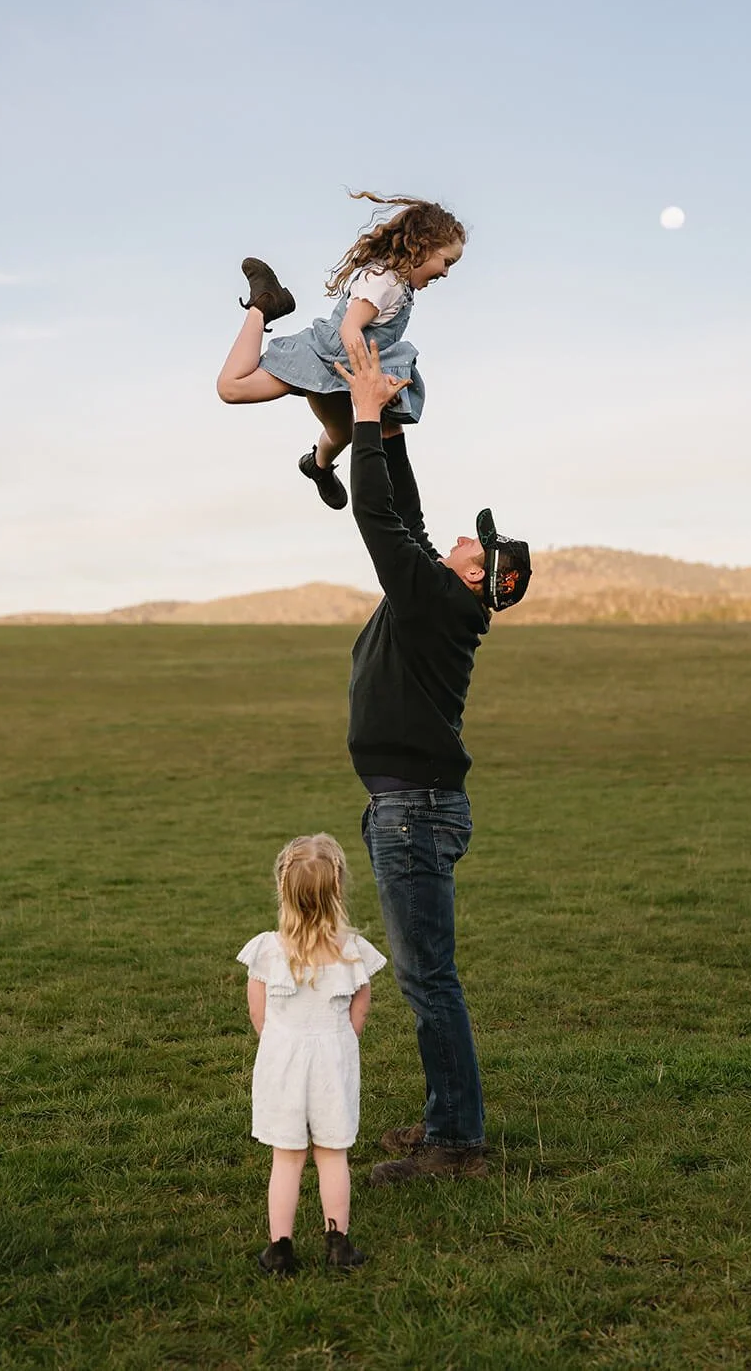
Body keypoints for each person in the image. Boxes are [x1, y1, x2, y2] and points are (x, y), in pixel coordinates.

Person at [332, 337, 532, 1186]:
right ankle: (447, 1122)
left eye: (474, 544)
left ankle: (458, 1145)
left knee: (428, 981)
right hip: (406, 806)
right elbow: (405, 519)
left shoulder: (437, 604)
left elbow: (378, 520)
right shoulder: (439, 597)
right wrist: (399, 435)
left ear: (483, 578)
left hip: (414, 811)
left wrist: (370, 416)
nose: (458, 537)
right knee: (426, 978)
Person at [215, 191, 466, 510]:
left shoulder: (399, 285)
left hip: (341, 372)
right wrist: (369, 383)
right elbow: (350, 329)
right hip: (320, 358)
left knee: (342, 433)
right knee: (231, 388)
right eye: (446, 262)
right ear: (423, 246)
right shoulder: (384, 282)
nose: (445, 272)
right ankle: (264, 305)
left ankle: (316, 467)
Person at [236, 833, 386, 1274]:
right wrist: (342, 1041)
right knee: (332, 1153)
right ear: (338, 888)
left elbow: (256, 1010)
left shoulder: (268, 949)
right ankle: (338, 1244)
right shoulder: (351, 951)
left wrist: (279, 1042)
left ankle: (279, 1250)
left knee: (287, 1157)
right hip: (332, 1060)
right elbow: (361, 1005)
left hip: (282, 1060)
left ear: (283, 890)